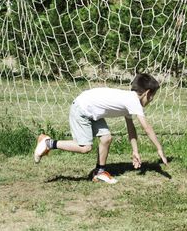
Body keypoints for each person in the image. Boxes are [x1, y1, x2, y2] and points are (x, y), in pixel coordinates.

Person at [34, 73, 168, 184]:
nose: (151, 100)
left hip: (91, 109)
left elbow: (131, 128)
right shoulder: (133, 101)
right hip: (82, 109)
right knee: (85, 147)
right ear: (147, 93)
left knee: (106, 138)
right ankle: (48, 143)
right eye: (152, 97)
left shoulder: (129, 99)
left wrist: (135, 151)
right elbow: (147, 128)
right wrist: (159, 149)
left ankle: (99, 172)